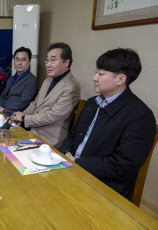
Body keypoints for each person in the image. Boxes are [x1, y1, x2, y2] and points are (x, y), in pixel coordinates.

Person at [58, 48, 156, 200]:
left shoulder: (141, 116)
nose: (94, 78)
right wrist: (63, 154)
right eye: (96, 72)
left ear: (120, 79)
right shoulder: (92, 103)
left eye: (100, 74)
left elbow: (122, 165)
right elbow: (72, 135)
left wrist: (77, 162)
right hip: (71, 171)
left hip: (102, 190)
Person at [12, 42, 80, 148]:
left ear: (66, 62)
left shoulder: (71, 86)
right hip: (32, 130)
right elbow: (35, 104)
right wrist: (19, 117)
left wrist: (25, 119)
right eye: (47, 60)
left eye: (53, 60)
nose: (48, 64)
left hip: (49, 140)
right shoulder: (48, 80)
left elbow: (53, 116)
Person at [0, 47, 38, 116]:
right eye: (17, 60)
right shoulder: (11, 78)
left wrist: (4, 113)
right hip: (2, 113)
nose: (19, 63)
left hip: (14, 116)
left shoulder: (32, 80)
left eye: (23, 60)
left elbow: (23, 103)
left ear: (29, 62)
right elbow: (2, 96)